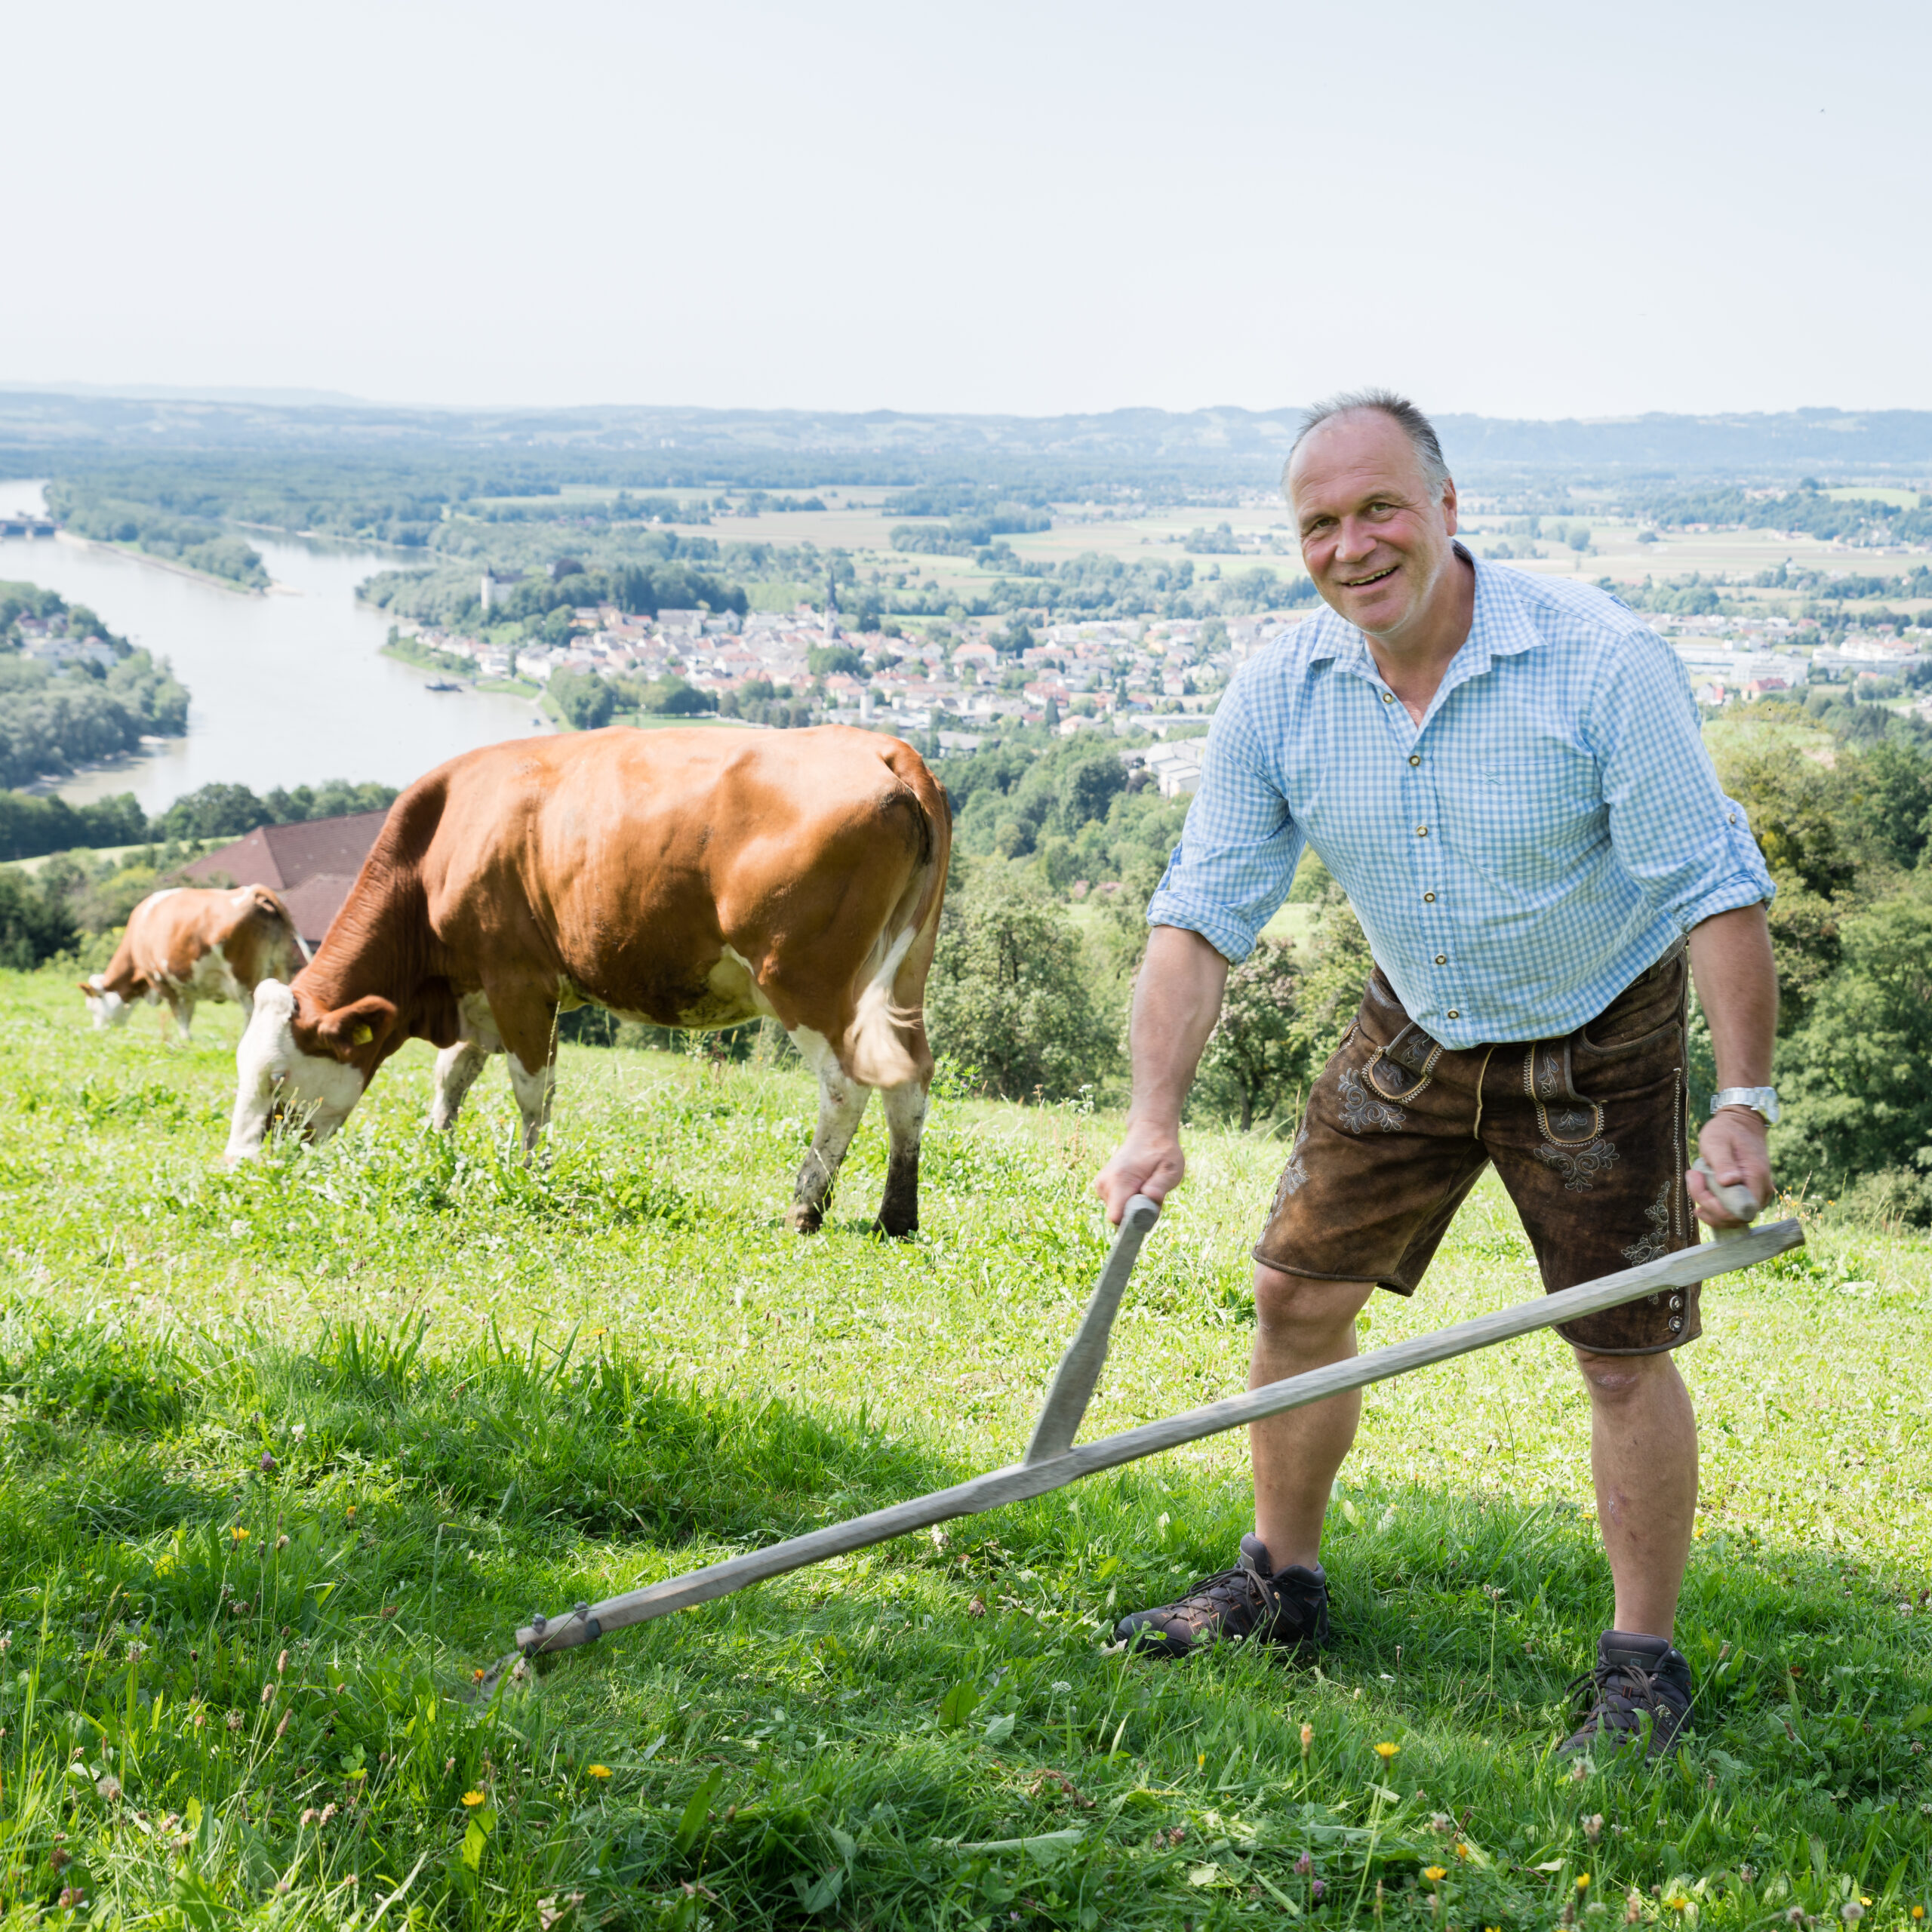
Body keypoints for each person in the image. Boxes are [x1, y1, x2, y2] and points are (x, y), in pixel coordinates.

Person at [1094, 390, 1778, 1758]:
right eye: (1321, 523)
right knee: (1295, 1295)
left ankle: (1642, 1667)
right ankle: (1281, 1584)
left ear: (1449, 507)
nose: (1352, 546)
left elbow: (1714, 887)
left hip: (1599, 1031)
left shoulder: (1597, 660)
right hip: (1415, 1020)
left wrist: (1741, 1105)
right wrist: (1150, 1118)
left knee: (1623, 1350)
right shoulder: (1282, 690)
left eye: (1380, 509)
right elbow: (1199, 913)